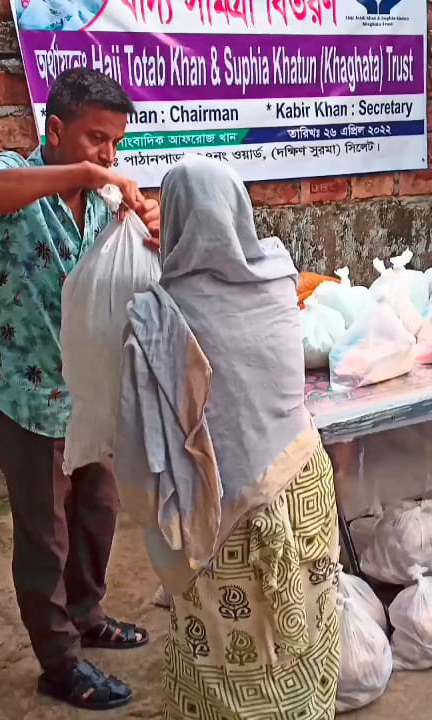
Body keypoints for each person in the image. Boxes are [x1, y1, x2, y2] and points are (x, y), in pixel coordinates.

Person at [0, 67, 160, 711]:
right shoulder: (12, 174)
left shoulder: (101, 206)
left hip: (89, 396)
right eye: (96, 139)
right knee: (44, 535)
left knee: (96, 513)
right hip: (25, 396)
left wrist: (148, 225)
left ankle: (88, 615)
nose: (109, 155)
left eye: (115, 143)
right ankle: (58, 662)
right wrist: (86, 176)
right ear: (55, 130)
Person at [113, 155, 340, 720]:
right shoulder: (279, 279)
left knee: (226, 646)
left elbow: (140, 433)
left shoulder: (154, 314)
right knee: (304, 627)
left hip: (216, 510)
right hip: (302, 486)